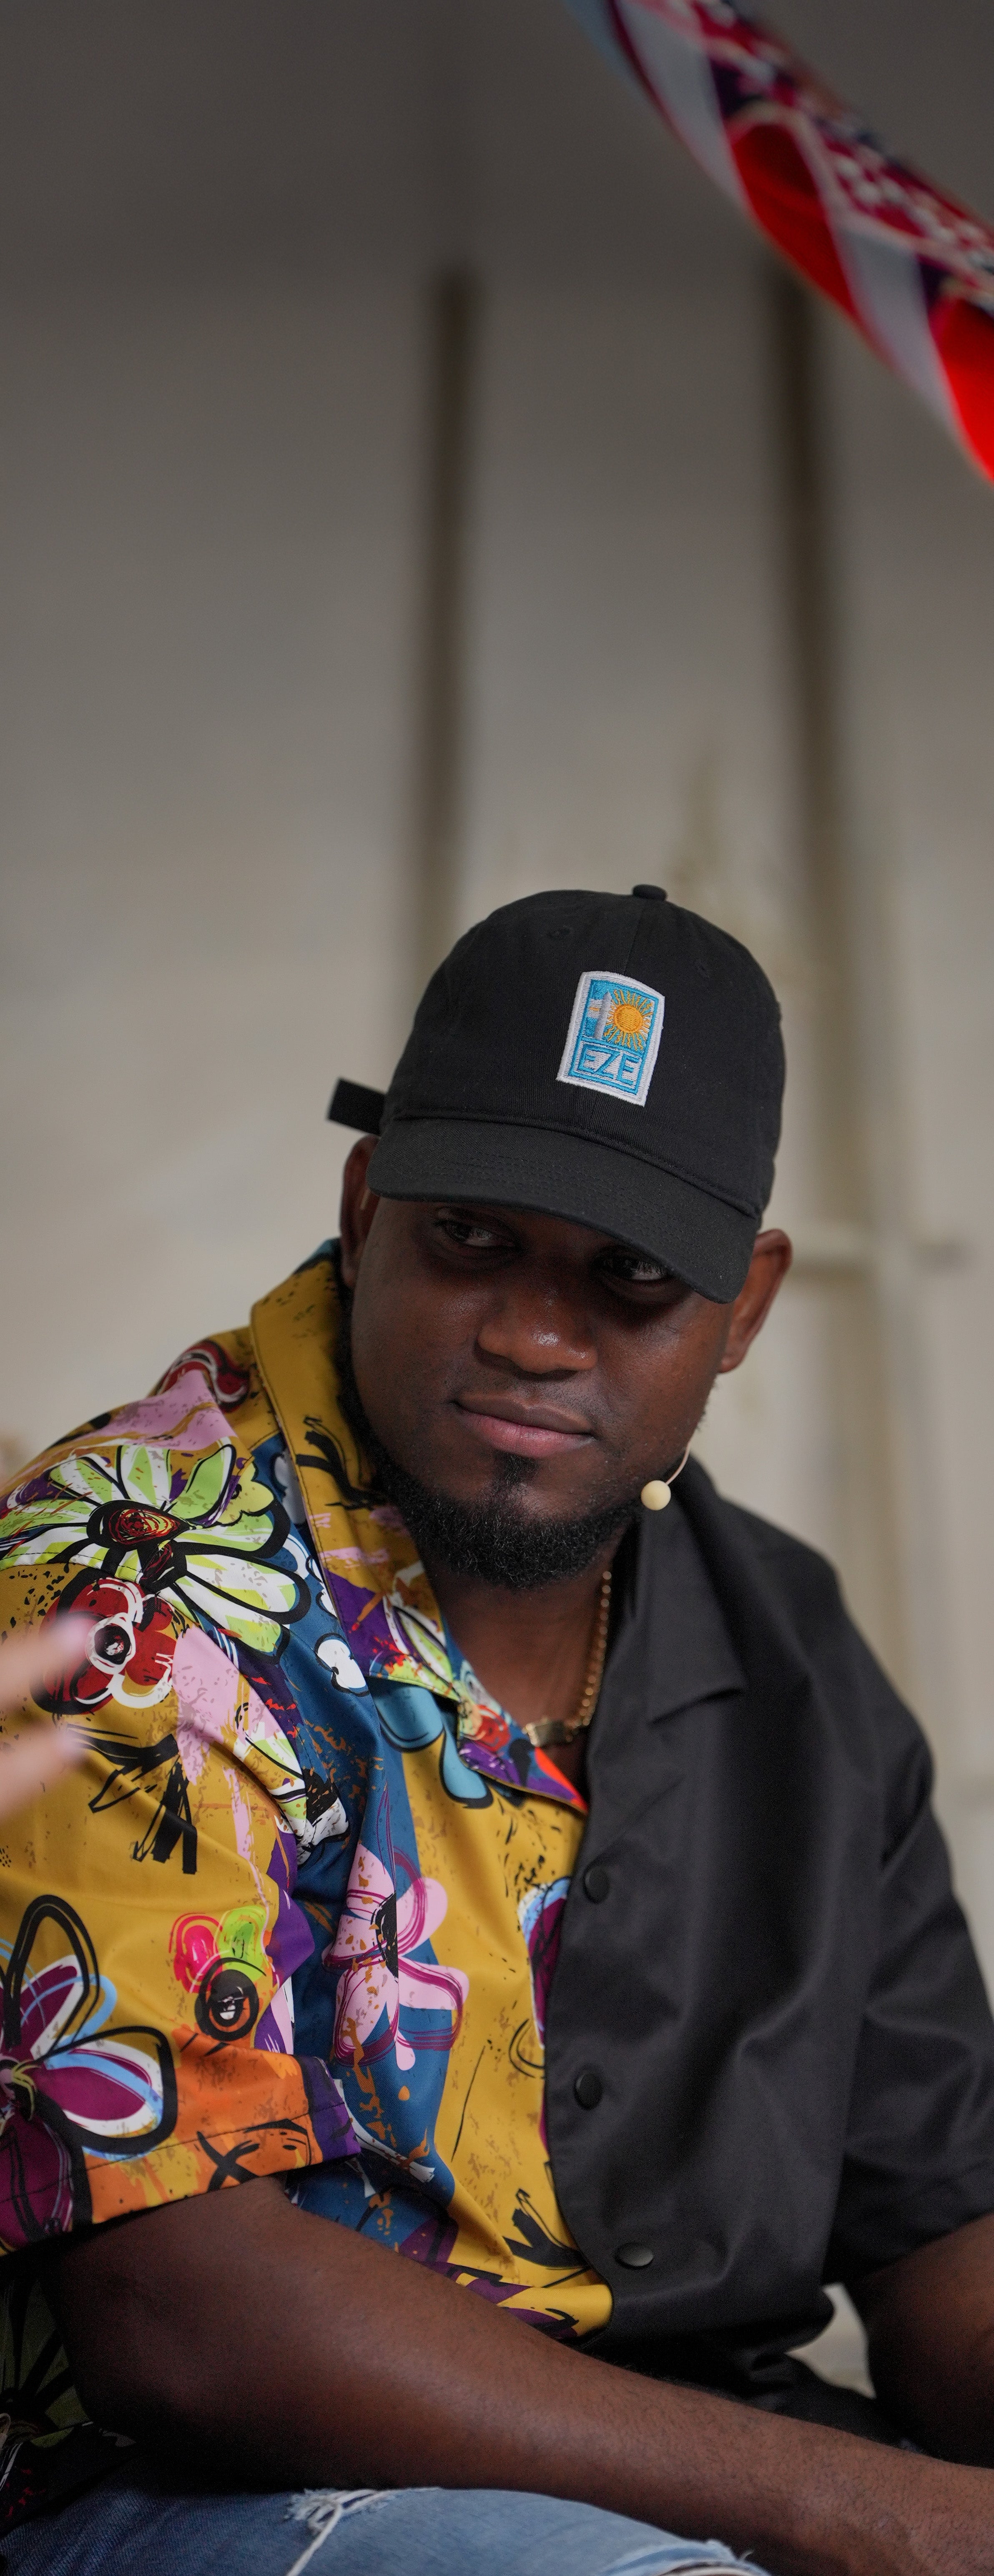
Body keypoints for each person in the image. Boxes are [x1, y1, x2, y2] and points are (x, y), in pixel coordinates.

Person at [2, 886, 994, 2576]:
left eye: (629, 1278)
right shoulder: (130, 1574)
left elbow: (938, 2226)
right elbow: (181, 2315)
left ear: (745, 1306)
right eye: (472, 1237)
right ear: (364, 1201)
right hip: (186, 2498)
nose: (534, 1335)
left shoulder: (790, 1651)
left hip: (698, 2475)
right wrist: (869, 2512)